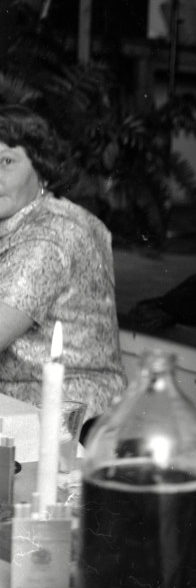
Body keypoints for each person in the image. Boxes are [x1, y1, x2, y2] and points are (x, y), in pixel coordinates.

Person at [0, 105, 124, 423]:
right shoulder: (30, 217)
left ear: (41, 168)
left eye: (6, 161)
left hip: (69, 420)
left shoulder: (48, 236)